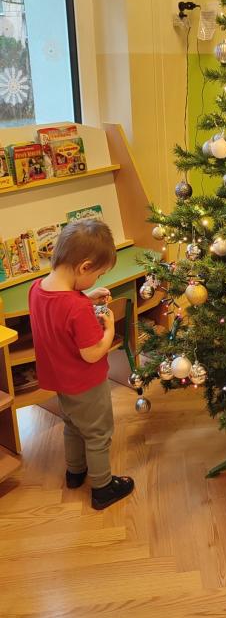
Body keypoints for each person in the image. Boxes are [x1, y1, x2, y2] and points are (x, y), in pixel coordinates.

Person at [29, 219, 134, 511]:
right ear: (84, 267)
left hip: (61, 381)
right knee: (98, 433)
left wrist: (86, 297)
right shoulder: (76, 308)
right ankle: (102, 488)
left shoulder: (37, 289)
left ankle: (75, 472)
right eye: (97, 275)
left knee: (73, 425)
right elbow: (92, 353)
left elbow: (58, 311)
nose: (97, 279)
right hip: (86, 383)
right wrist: (109, 330)